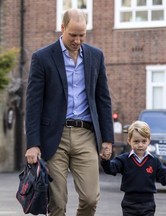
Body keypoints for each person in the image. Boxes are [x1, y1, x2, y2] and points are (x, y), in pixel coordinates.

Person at [24, 8, 114, 216]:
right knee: (57, 201)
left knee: (90, 198)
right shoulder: (43, 58)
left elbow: (103, 99)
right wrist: (33, 144)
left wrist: (107, 139)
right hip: (55, 136)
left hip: (86, 135)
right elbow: (33, 104)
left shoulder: (96, 56)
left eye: (82, 35)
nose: (77, 40)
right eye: (73, 35)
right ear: (62, 28)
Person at [100, 121, 166, 216]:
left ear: (149, 140)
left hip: (148, 204)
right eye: (136, 141)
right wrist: (105, 160)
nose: (140, 145)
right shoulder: (124, 159)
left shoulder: (155, 161)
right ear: (129, 141)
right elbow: (111, 169)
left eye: (144, 141)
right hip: (129, 203)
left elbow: (165, 180)